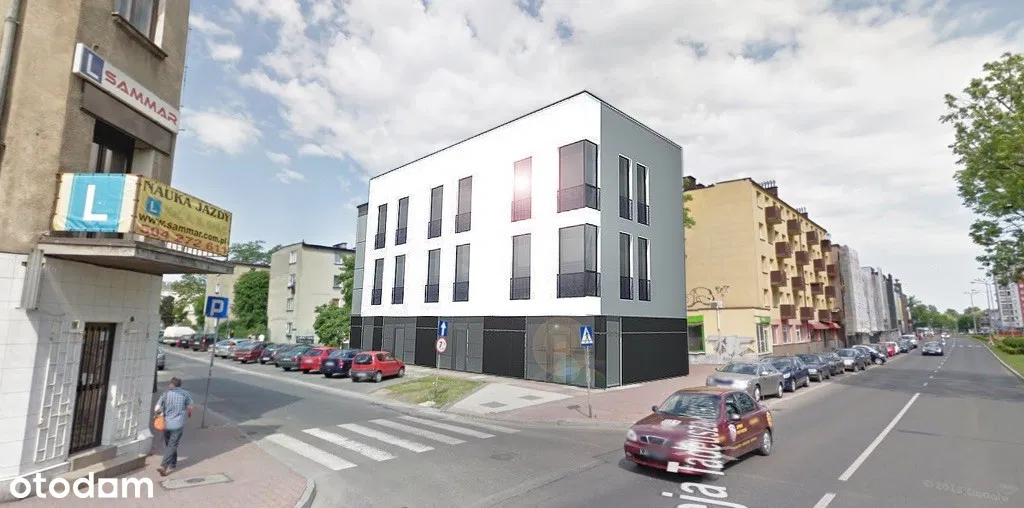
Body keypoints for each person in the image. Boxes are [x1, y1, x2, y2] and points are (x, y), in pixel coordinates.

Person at [154, 377, 194, 476]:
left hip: (166, 424)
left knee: (170, 444)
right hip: (178, 424)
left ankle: (164, 466)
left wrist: (159, 416)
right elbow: (190, 406)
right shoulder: (185, 394)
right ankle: (172, 463)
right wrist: (189, 412)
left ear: (171, 384)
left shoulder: (166, 394)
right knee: (172, 445)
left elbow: (157, 408)